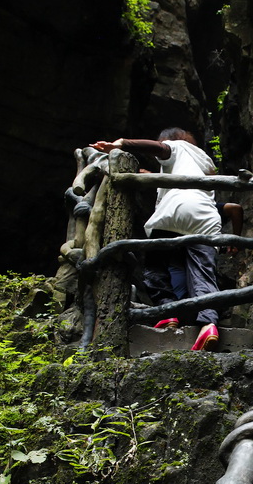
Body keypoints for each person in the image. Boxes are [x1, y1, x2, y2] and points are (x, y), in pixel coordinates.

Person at [90, 128, 222, 352]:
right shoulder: (204, 161)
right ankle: (208, 324)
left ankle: (168, 311)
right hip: (206, 217)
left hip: (176, 211)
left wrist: (120, 143)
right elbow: (167, 174)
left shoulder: (178, 147)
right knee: (203, 272)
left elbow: (160, 148)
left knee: (155, 266)